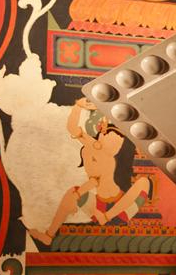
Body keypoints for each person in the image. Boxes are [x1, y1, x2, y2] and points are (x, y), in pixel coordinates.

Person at [28, 98, 152, 246]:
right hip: (99, 208)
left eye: (118, 143)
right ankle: (49, 235)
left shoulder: (108, 158)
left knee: (144, 182)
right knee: (71, 193)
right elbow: (73, 129)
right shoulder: (93, 149)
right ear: (101, 136)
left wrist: (80, 195)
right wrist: (78, 106)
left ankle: (106, 217)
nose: (116, 145)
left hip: (120, 210)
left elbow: (94, 180)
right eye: (113, 139)